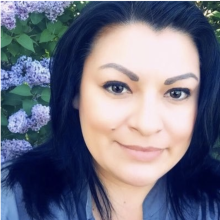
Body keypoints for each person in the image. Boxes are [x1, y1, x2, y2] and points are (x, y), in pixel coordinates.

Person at [2, 2, 220, 220]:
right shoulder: (10, 202)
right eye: (117, 88)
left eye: (176, 93)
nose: (147, 125)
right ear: (74, 90)